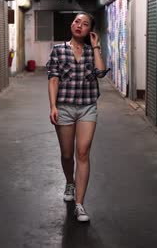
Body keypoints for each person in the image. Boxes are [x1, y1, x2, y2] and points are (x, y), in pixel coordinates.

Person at [45, 12, 109, 222]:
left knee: (82, 153)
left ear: (90, 29)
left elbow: (100, 72)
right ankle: (69, 182)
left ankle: (80, 204)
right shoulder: (59, 50)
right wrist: (53, 106)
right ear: (71, 25)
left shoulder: (92, 52)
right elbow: (53, 79)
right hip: (64, 107)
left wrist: (96, 45)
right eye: (76, 21)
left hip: (87, 107)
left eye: (85, 23)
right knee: (67, 154)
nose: (79, 25)